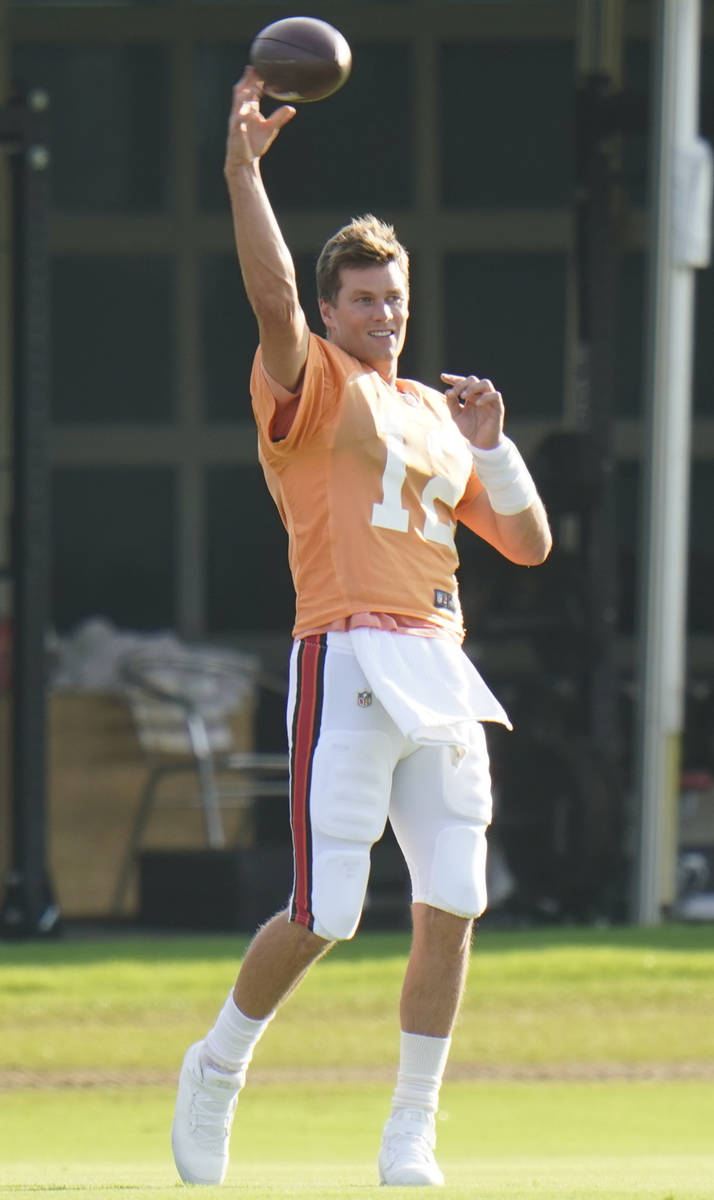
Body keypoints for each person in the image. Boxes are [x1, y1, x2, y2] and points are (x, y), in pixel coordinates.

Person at [171, 67, 552, 1188]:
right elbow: (272, 297)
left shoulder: (436, 412)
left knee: (458, 897)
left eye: (396, 299)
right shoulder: (313, 382)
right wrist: (244, 171)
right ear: (334, 312)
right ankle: (219, 1064)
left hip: (438, 657)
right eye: (365, 301)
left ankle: (411, 1128)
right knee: (326, 904)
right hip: (344, 650)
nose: (383, 316)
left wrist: (492, 442)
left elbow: (527, 545)